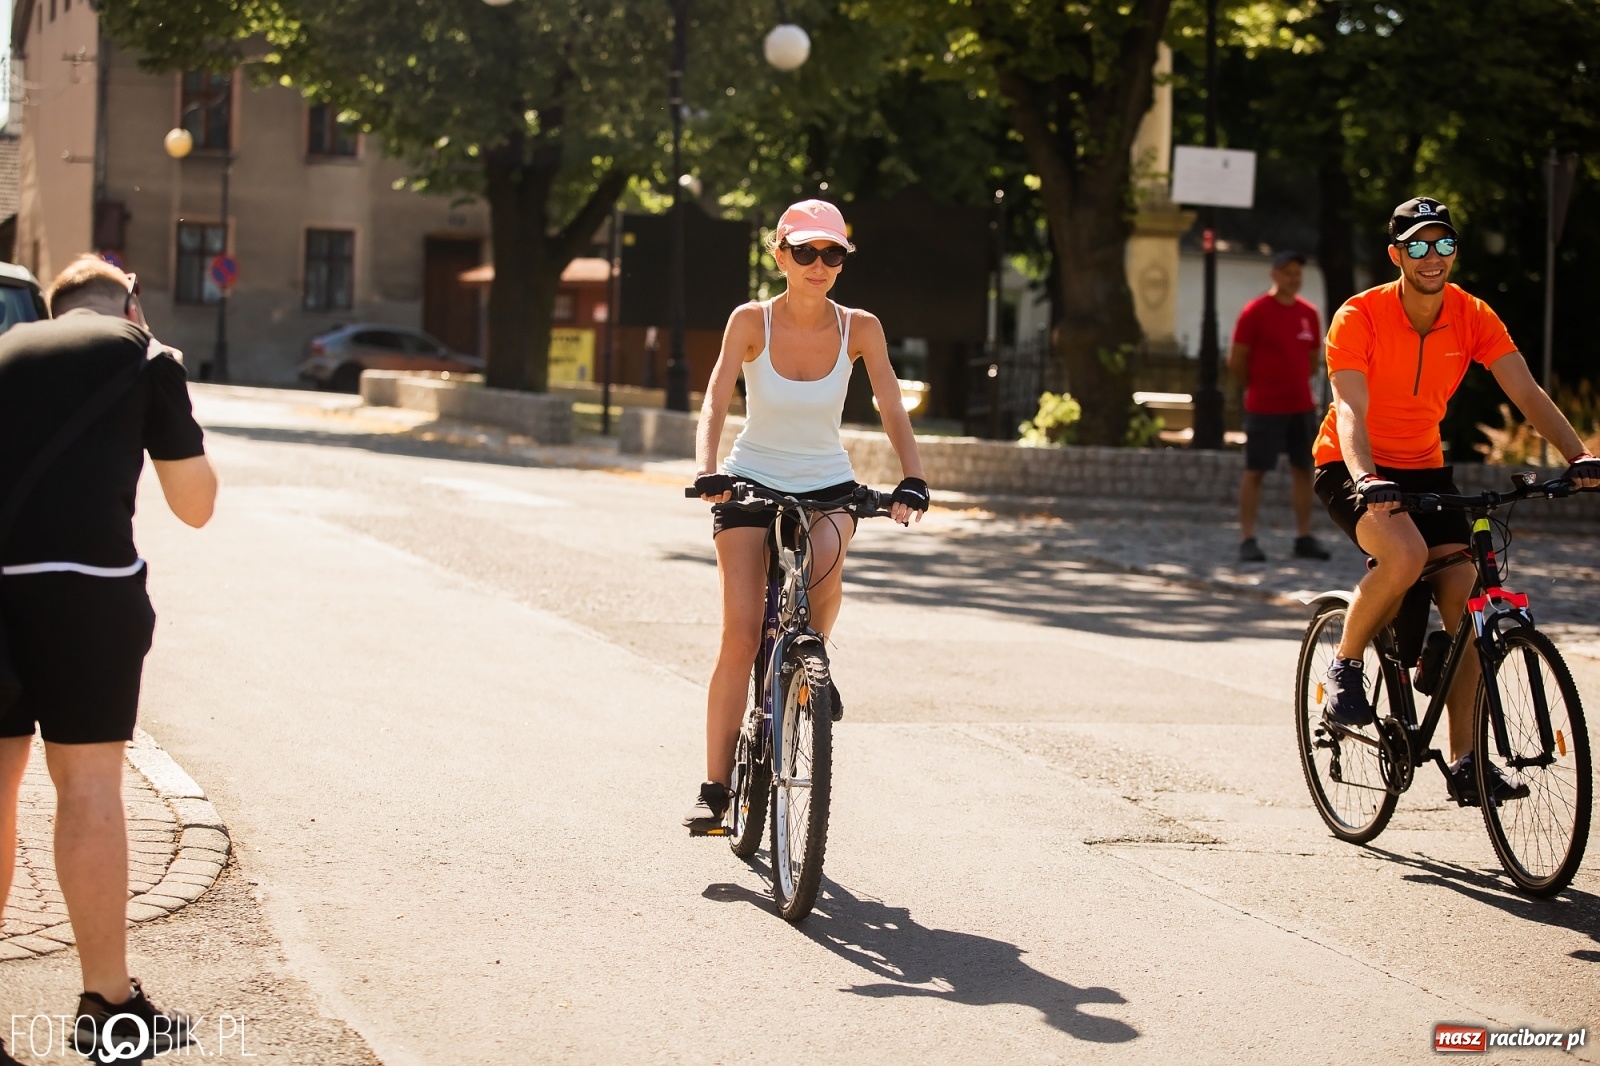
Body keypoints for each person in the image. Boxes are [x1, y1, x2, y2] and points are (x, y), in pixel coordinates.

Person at [0, 256, 218, 1062]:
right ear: (132, 304)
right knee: (87, 788)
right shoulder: (144, 356)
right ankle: (108, 1008)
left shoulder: (4, 352)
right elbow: (194, 507)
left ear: (54, 310)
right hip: (87, 593)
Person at [1312, 197, 1600, 803]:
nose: (1432, 257)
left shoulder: (1471, 314)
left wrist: (1577, 457)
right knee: (1405, 555)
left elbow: (1524, 389)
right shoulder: (1358, 316)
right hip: (1350, 462)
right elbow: (1350, 410)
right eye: (1417, 246)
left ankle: (1467, 761)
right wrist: (1366, 479)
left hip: (1424, 468)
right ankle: (1346, 661)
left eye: (1443, 244)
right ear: (1396, 256)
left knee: (1468, 599)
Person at [683, 200, 928, 832]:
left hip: (827, 481)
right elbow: (715, 396)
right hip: (750, 479)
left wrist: (914, 478)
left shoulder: (861, 328)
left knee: (825, 562)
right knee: (740, 633)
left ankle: (810, 666)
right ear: (780, 254)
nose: (819, 265)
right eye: (805, 251)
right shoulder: (751, 320)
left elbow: (892, 406)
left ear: (844, 260)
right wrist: (707, 469)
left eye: (833, 254)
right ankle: (715, 790)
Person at [1227, 250, 1330, 563]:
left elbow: (1313, 359)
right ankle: (1248, 537)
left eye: (1297, 273)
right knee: (1255, 471)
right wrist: (1257, 386)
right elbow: (1237, 360)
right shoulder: (1255, 311)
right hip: (1264, 406)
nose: (1293, 278)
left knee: (1304, 470)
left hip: (1300, 405)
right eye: (1287, 272)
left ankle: (1303, 536)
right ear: (1274, 275)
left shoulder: (1308, 313)